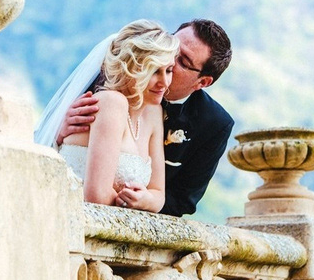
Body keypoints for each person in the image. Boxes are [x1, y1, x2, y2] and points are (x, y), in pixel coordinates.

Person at [56, 19, 233, 217]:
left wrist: (144, 201)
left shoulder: (212, 123)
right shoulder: (105, 84)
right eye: (172, 47)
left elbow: (181, 200)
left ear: (203, 82)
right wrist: (60, 132)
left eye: (181, 61)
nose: (170, 62)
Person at [37, 20, 179, 212]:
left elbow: (158, 193)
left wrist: (144, 200)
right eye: (154, 71)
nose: (164, 82)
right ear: (131, 67)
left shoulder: (153, 112)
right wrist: (131, 207)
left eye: (168, 70)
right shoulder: (111, 102)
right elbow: (97, 196)